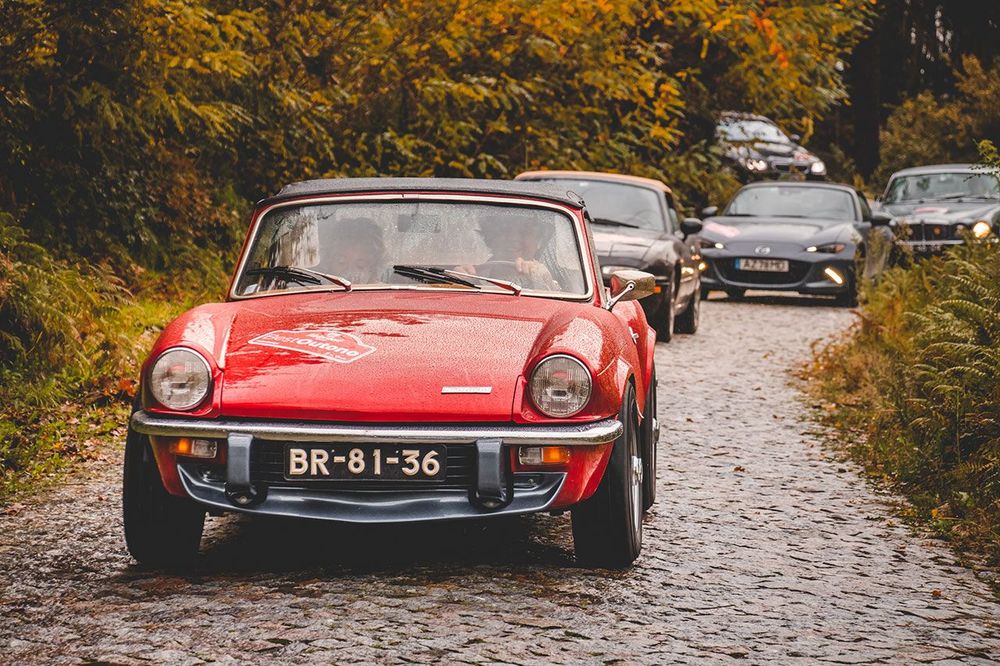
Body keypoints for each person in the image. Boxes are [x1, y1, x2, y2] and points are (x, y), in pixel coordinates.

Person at [457, 213, 560, 291]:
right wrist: (458, 280)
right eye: (505, 230)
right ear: (491, 237)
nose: (513, 238)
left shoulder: (548, 277)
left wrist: (541, 278)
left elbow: (556, 307)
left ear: (539, 241)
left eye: (525, 232)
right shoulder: (473, 275)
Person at [322, 217, 386, 284]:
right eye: (341, 262)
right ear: (329, 261)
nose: (349, 271)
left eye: (360, 265)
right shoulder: (317, 286)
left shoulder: (384, 289)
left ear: (372, 269)